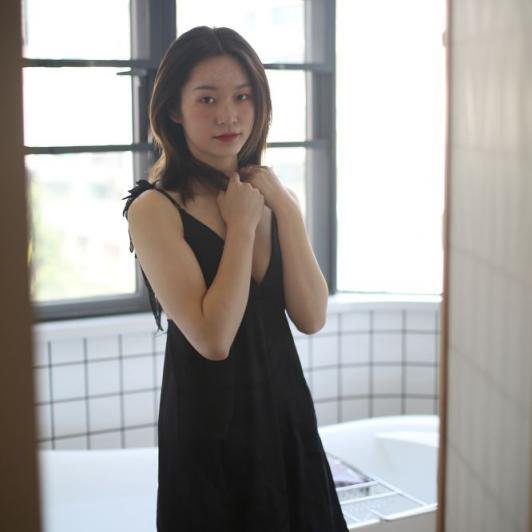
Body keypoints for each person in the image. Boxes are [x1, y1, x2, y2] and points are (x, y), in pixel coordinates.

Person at [122, 25, 348, 532]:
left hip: (284, 411)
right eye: (208, 99)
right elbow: (213, 338)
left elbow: (311, 317)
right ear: (174, 109)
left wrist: (285, 208)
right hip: (210, 430)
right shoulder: (154, 208)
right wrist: (241, 228)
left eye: (243, 97)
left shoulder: (272, 197)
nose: (228, 115)